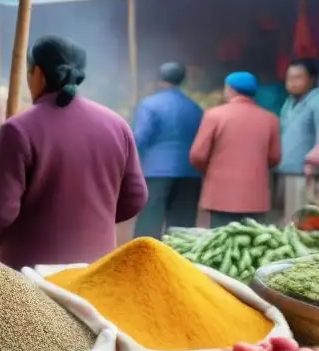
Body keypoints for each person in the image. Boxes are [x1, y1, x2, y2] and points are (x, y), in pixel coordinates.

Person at [0, 35, 147, 270]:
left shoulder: (18, 128)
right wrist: (95, 218)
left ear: (38, 74)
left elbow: (0, 211)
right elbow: (135, 198)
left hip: (30, 275)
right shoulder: (116, 125)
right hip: (95, 269)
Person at [190, 72, 281, 228]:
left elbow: (197, 155)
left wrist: (211, 170)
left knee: (222, 242)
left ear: (230, 90)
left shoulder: (214, 115)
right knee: (253, 242)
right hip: (255, 196)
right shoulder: (271, 119)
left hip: (220, 194)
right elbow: (274, 157)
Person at [131, 62, 204, 238]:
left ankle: (144, 260)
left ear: (160, 79)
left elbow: (141, 136)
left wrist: (133, 160)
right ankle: (179, 262)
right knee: (183, 228)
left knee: (149, 221)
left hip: (156, 171)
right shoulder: (195, 108)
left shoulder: (149, 105)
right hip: (189, 172)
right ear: (183, 80)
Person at [275, 58, 319, 222]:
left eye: (298, 77)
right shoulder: (289, 102)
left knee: (302, 224)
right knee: (287, 221)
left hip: (307, 176)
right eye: (289, 78)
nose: (291, 83)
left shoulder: (316, 101)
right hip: (285, 171)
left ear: (312, 80)